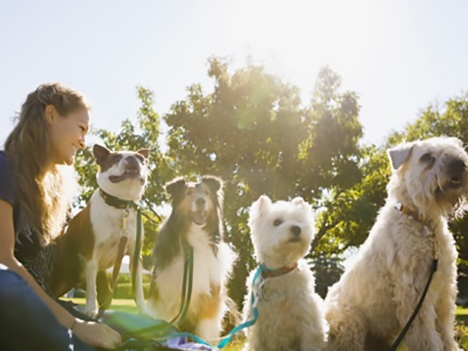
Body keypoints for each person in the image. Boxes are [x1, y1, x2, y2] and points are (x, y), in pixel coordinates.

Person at [0, 83, 122, 350]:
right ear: (51, 114)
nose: (83, 142)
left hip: (46, 310)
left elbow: (61, 275)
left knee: (125, 326)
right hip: (10, 308)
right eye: (81, 128)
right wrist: (76, 326)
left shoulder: (56, 199)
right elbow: (4, 260)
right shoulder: (3, 168)